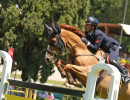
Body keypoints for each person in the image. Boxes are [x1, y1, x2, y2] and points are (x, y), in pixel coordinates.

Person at [81, 16, 130, 84]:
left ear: (92, 27)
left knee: (111, 60)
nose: (85, 26)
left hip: (113, 47)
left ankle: (125, 74)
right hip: (106, 49)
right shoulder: (87, 33)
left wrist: (87, 42)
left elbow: (95, 48)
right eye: (85, 24)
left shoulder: (98, 34)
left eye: (87, 25)